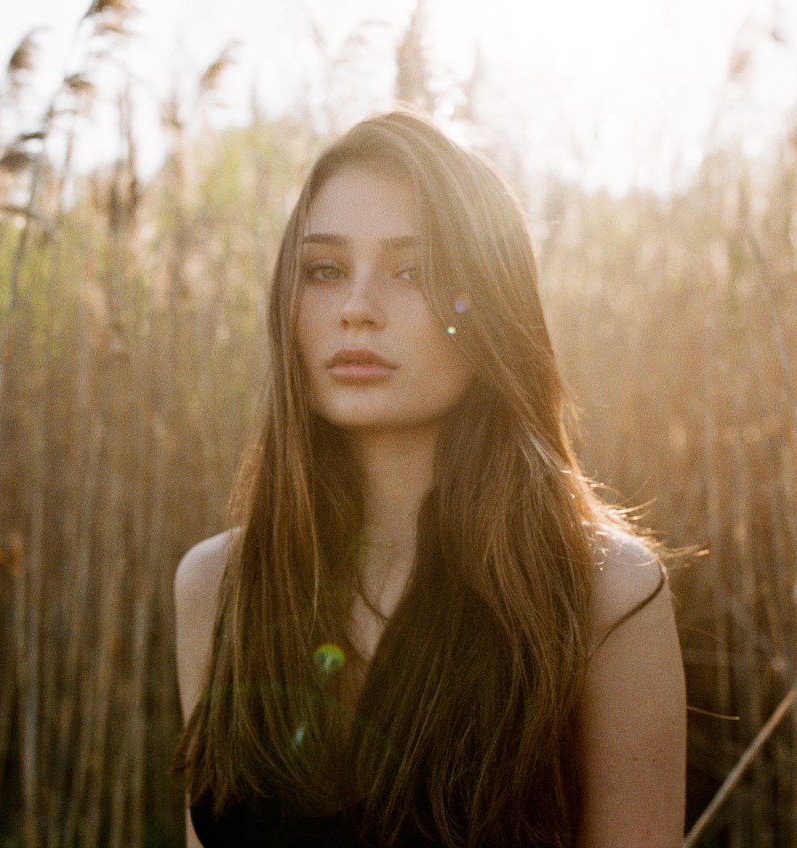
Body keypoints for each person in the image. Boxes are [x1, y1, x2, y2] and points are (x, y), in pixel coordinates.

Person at [174, 110, 685, 848]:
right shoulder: (217, 585)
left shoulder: (605, 594)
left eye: (412, 271)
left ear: (488, 306)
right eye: (324, 270)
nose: (355, 309)